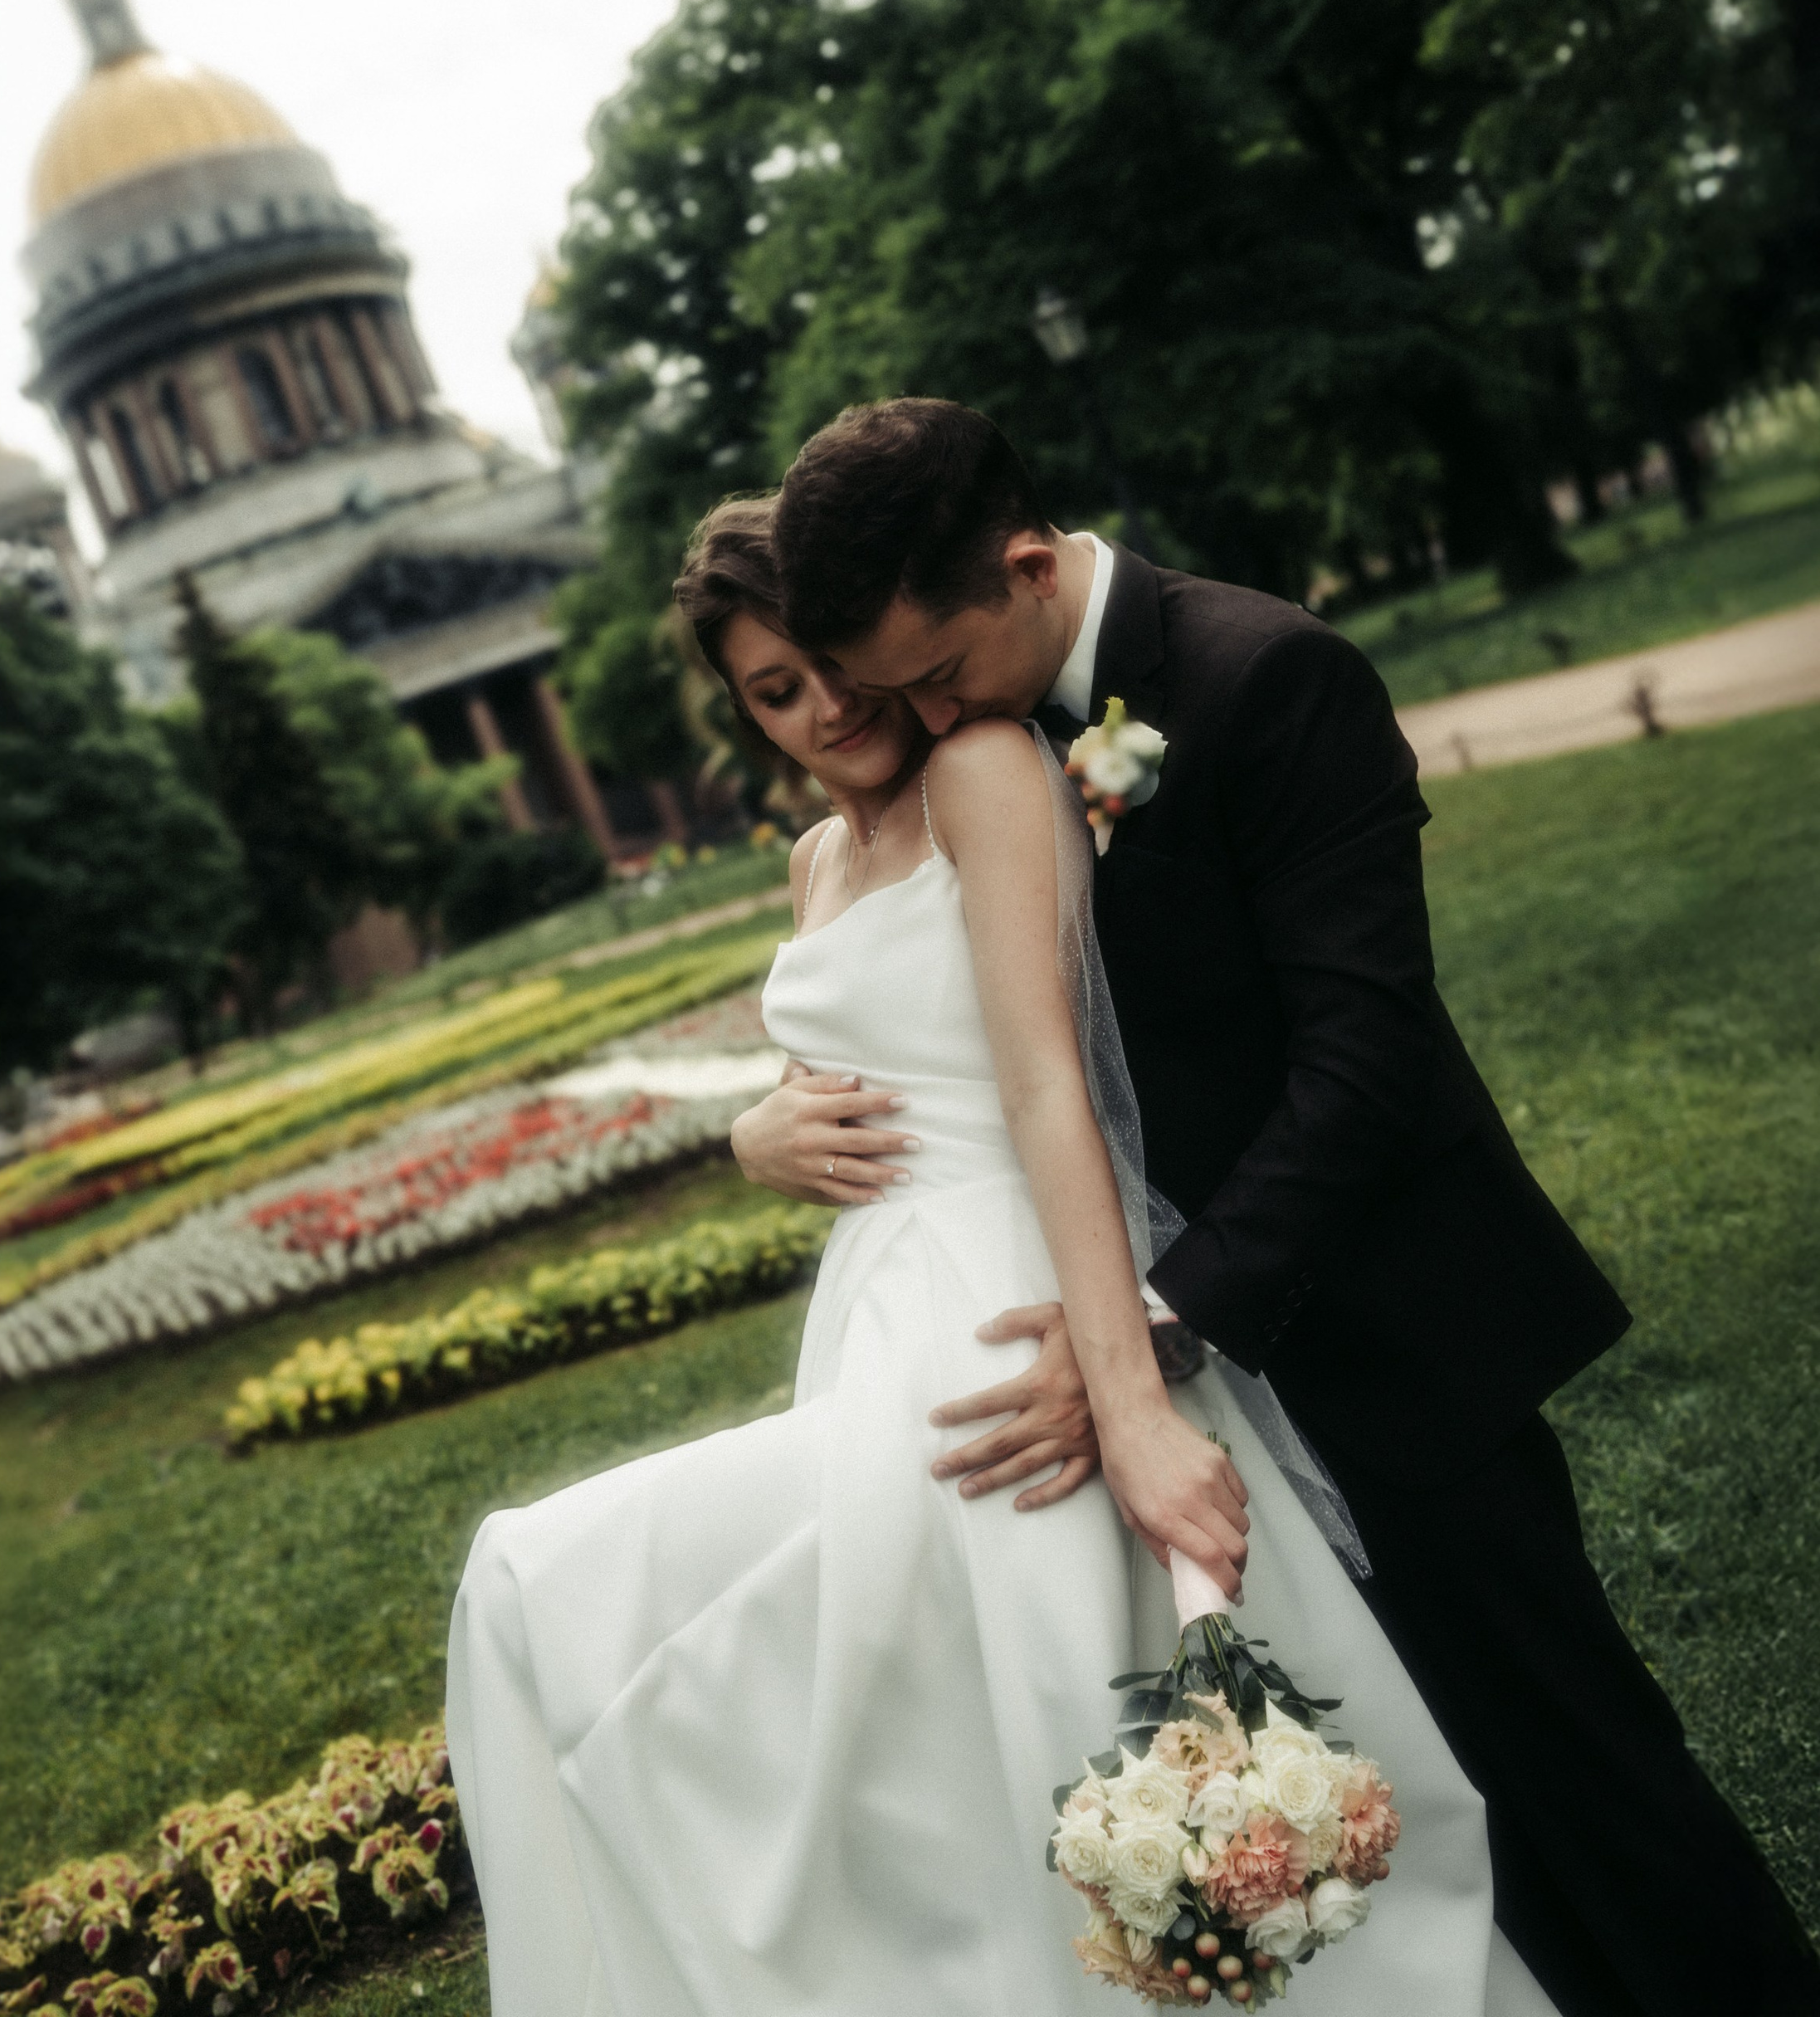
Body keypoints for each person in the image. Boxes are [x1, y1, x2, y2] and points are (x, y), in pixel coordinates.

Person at [737, 397, 1818, 2017]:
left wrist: (1163, 1326)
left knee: (1569, 1769)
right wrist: (771, 1121)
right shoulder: (998, 722)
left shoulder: (1260, 674)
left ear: (1027, 569)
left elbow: (1362, 1067)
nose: (915, 715)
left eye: (935, 675)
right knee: (1424, 1830)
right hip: (1188, 1357)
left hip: (1380, 1330)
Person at [448, 496, 1559, 2015]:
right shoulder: (816, 863)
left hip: (1008, 1300)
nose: (828, 709)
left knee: (548, 1586)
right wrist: (753, 1133)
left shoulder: (993, 767)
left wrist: (1134, 1390)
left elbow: (1050, 1087)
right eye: (776, 691)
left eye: (835, 663)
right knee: (951, 1765)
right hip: (875, 1321)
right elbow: (879, 1059)